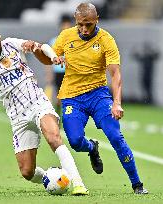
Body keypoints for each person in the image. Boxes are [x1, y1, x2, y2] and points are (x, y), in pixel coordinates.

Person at [0, 23, 88, 195]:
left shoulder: (12, 43)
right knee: (27, 172)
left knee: (53, 137)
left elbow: (41, 46)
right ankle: (49, 177)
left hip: (38, 103)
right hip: (18, 117)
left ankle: (78, 184)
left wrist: (52, 56)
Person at [51, 3, 148, 194]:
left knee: (115, 137)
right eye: (80, 24)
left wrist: (117, 103)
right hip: (72, 98)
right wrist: (51, 57)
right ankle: (92, 147)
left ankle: (137, 184)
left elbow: (116, 73)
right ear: (76, 21)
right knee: (76, 141)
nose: (84, 29)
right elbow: (49, 57)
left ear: (97, 20)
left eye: (88, 24)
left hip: (98, 96)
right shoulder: (65, 36)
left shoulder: (106, 40)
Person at [45, 14, 72, 118]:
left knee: (71, 97)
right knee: (59, 98)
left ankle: (70, 119)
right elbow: (48, 59)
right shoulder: (54, 41)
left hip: (70, 72)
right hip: (59, 72)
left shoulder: (75, 41)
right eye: (64, 25)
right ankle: (59, 118)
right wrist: (49, 74)